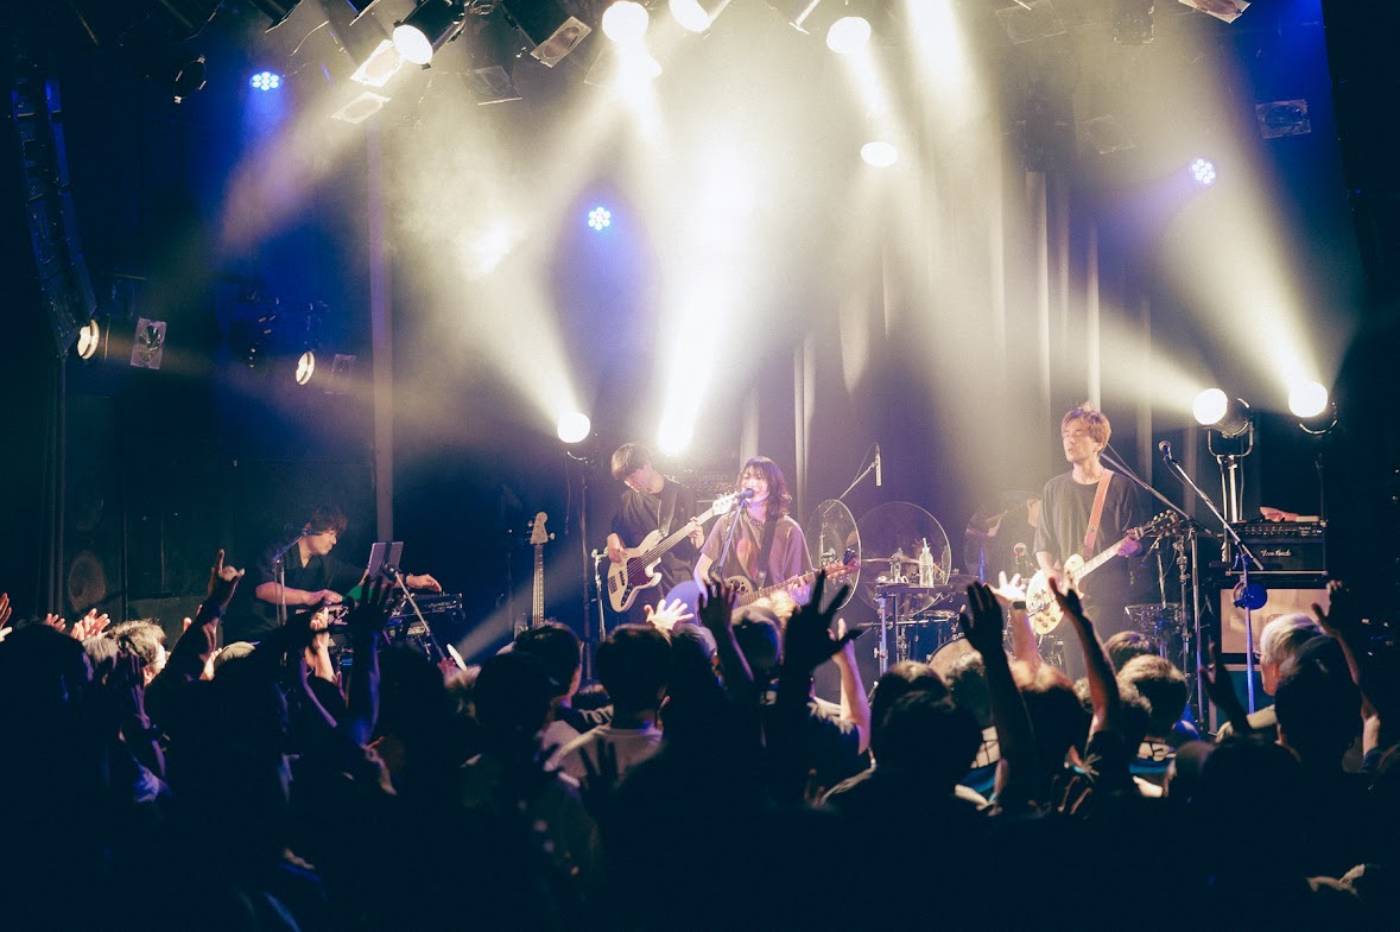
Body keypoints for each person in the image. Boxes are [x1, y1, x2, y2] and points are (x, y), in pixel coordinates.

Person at [237, 504, 440, 643]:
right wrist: (312, 596)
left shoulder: (326, 564)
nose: (334, 541)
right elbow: (264, 590)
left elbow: (368, 580)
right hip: (257, 635)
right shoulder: (277, 550)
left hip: (292, 640)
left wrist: (409, 580)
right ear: (309, 528)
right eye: (331, 533)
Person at [1033, 403, 1145, 642]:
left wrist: (1133, 548)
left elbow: (1138, 545)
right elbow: (1042, 544)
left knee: (1102, 662)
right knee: (1074, 665)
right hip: (1067, 601)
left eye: (1077, 433)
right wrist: (1052, 576)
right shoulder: (1053, 488)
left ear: (1098, 443)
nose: (1069, 440)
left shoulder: (1120, 486)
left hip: (1106, 599)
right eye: (1065, 434)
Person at [605, 443, 706, 624]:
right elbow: (617, 534)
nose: (629, 483)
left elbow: (694, 548)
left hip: (676, 586)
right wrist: (612, 539)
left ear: (647, 465)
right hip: (641, 595)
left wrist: (698, 540)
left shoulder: (683, 494)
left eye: (632, 476)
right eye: (625, 480)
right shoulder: (626, 500)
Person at [693, 456, 813, 604]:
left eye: (759, 477)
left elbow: (802, 591)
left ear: (772, 485)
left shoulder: (790, 530)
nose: (751, 482)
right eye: (747, 477)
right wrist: (713, 600)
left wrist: (798, 594)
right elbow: (700, 570)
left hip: (773, 613)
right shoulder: (727, 523)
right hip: (731, 615)